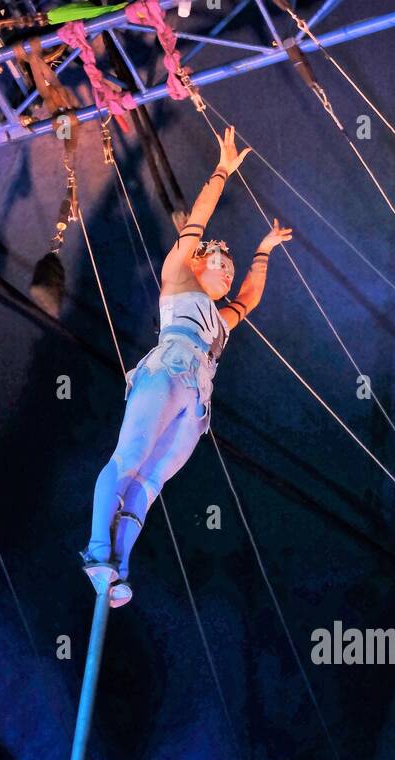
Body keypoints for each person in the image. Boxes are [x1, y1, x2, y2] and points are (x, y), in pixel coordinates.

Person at [81, 125, 292, 607]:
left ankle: (118, 567)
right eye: (222, 263)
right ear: (199, 261)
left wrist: (263, 250)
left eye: (231, 269)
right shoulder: (178, 275)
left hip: (196, 397)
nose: (228, 271)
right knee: (128, 462)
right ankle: (97, 552)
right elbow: (198, 217)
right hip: (167, 371)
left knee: (150, 483)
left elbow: (250, 299)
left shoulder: (220, 321)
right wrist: (222, 170)